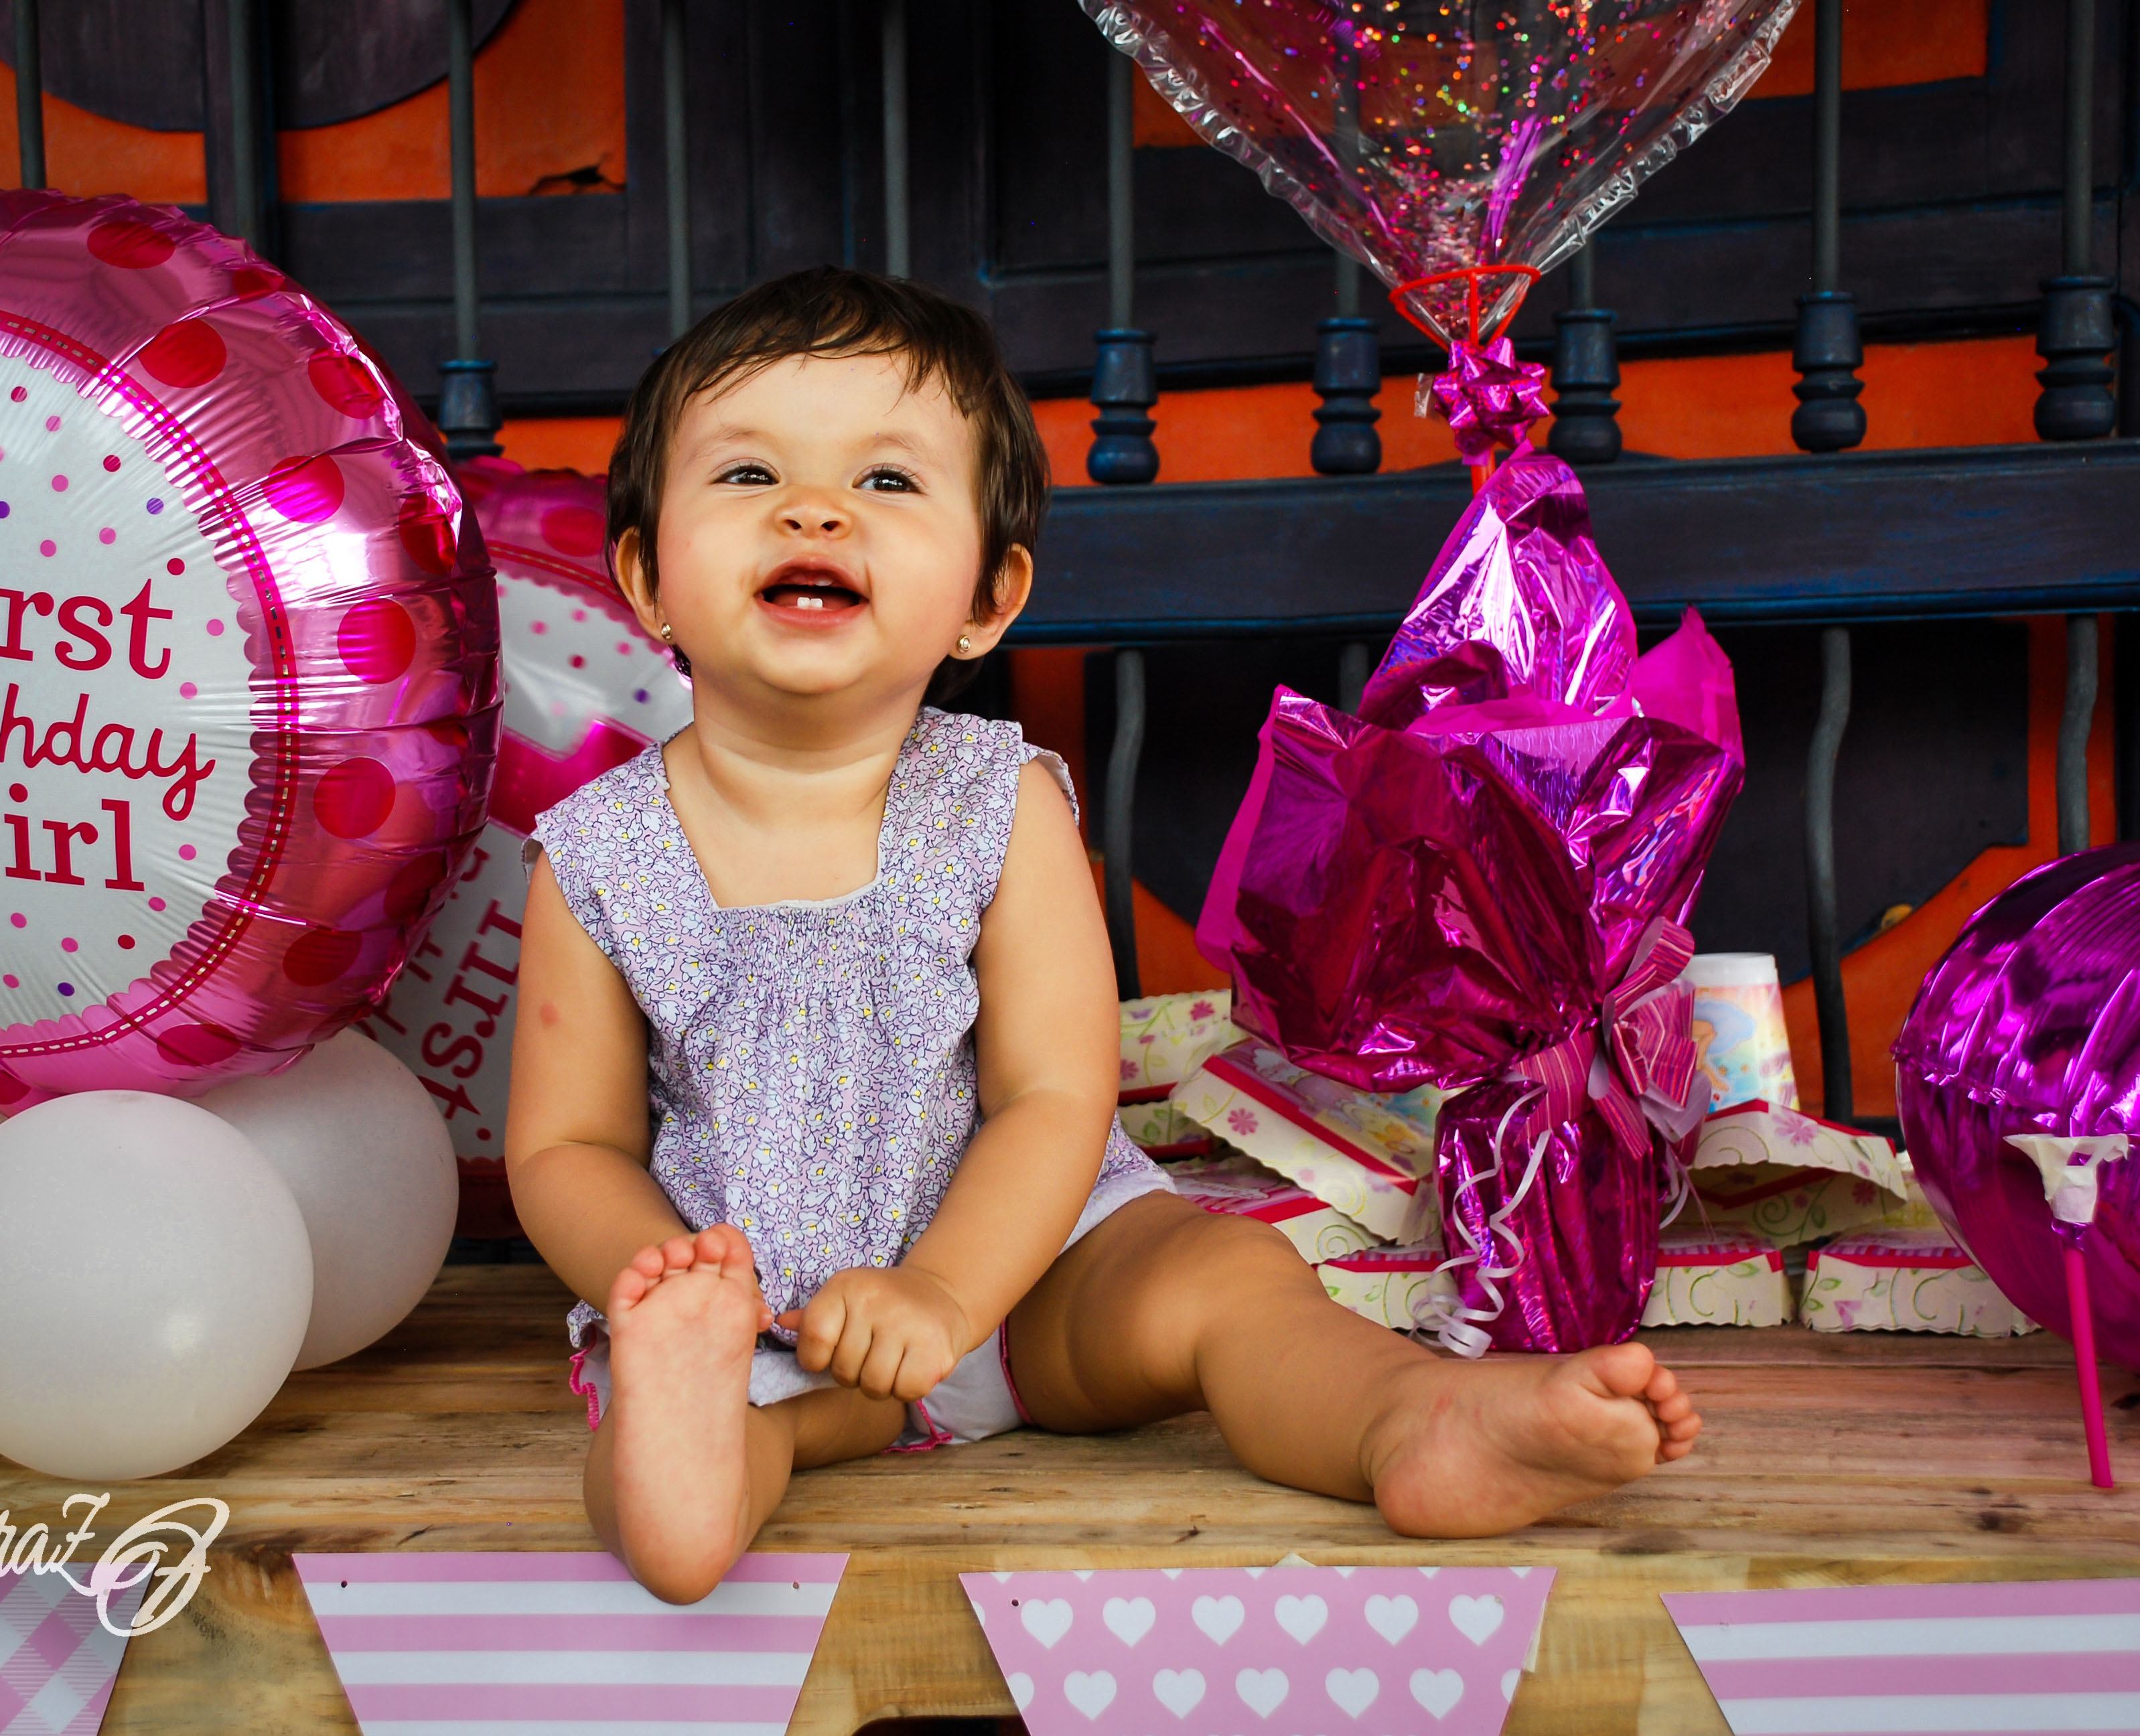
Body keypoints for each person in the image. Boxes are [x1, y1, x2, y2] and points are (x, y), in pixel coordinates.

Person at [505, 267, 1701, 1605]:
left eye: (888, 480)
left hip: (1036, 1275)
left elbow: (1053, 1096)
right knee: (683, 1389)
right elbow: (567, 1144)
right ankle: (689, 1481)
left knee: (1226, 1276)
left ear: (987, 597)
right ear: (645, 578)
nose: (815, 509)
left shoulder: (998, 801)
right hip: (770, 1304)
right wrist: (666, 1283)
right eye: (747, 475)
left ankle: (1407, 1420)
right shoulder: (596, 854)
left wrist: (947, 1296)